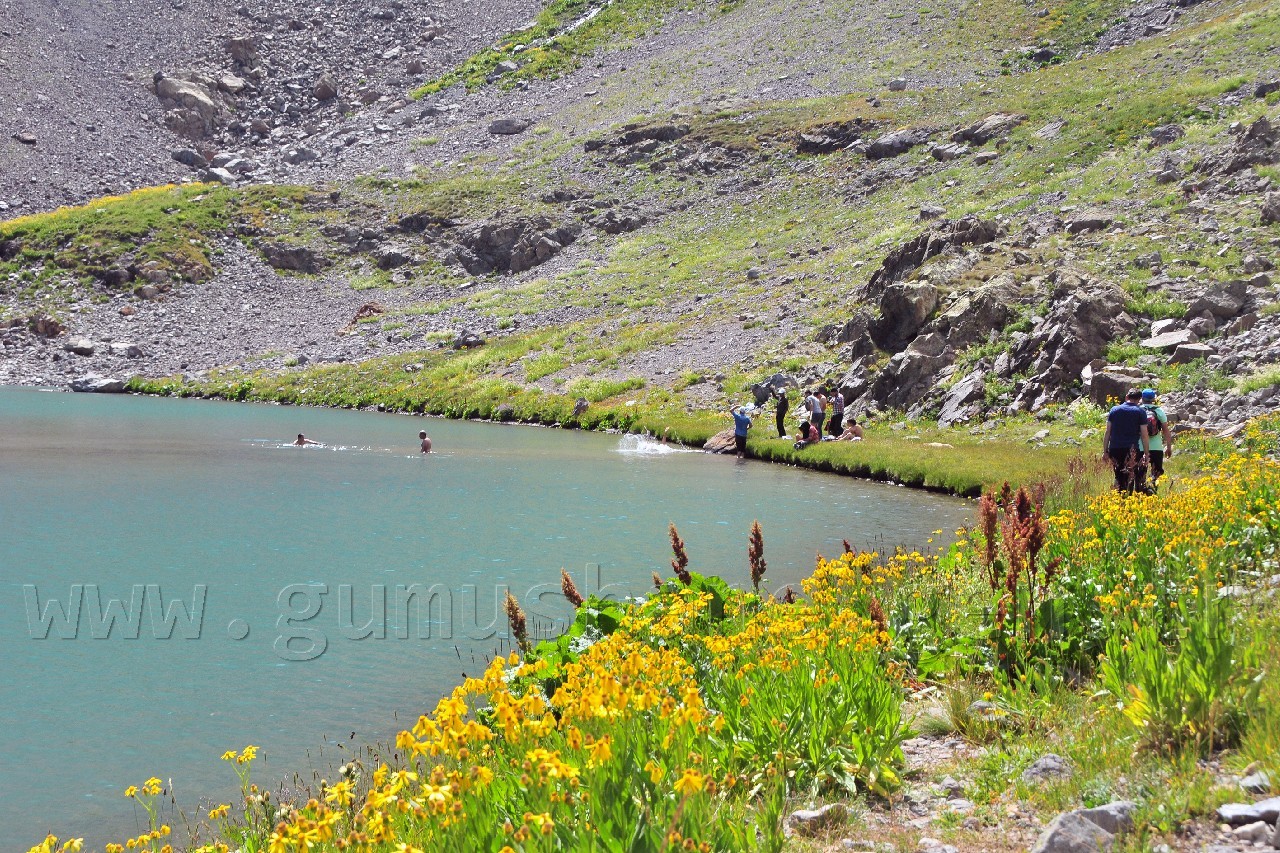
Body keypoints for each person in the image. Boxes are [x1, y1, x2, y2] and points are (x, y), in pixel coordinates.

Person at [1102, 389, 1150, 493]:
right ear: (1139, 399)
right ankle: (1127, 499)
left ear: (1127, 397)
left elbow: (1107, 432)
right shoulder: (1140, 412)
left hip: (1115, 448)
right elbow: (1144, 435)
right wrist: (1146, 453)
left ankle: (1117, 498)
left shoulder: (1114, 410)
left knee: (1118, 475)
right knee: (1130, 475)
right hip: (1131, 449)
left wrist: (1105, 451)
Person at [1140, 389, 1172, 492]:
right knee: (1156, 472)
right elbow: (1166, 431)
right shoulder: (1159, 411)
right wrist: (1169, 447)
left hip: (1140, 446)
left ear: (1142, 398)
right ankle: (1153, 491)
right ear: (1154, 399)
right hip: (1157, 447)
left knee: (1141, 471)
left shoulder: (1138, 410)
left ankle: (1140, 492)